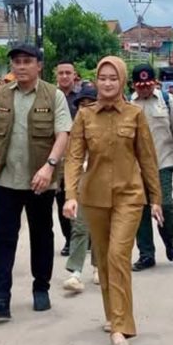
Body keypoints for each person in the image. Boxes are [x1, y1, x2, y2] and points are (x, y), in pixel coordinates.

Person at [63, 56, 162, 345]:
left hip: (129, 196)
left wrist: (156, 199)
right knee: (104, 259)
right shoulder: (85, 115)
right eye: (103, 78)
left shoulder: (134, 115)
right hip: (93, 198)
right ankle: (112, 314)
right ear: (96, 80)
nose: (107, 83)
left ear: (122, 82)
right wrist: (70, 195)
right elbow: (73, 157)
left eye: (113, 78)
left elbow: (147, 159)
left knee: (119, 255)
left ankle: (121, 326)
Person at [0, 44, 72, 320]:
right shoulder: (1, 95)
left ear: (39, 65)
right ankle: (0, 298)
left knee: (42, 235)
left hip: (40, 181)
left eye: (27, 61)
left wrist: (49, 166)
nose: (20, 66)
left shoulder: (53, 96)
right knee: (3, 238)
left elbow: (63, 134)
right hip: (6, 179)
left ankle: (41, 288)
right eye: (16, 61)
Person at [130, 63, 173, 271]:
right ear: (133, 85)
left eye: (148, 85)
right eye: (140, 86)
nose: (144, 89)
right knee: (140, 210)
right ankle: (146, 254)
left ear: (154, 83)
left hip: (162, 163)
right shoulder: (128, 104)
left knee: (165, 206)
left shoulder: (167, 101)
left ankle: (168, 238)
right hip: (136, 167)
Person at [62, 85, 99, 293]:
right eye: (81, 105)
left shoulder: (107, 126)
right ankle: (75, 273)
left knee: (101, 229)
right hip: (81, 186)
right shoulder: (74, 129)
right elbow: (70, 160)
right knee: (80, 226)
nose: (85, 108)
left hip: (104, 185)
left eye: (90, 104)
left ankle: (98, 267)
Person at [54, 60, 78, 257]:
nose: (64, 76)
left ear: (74, 75)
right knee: (61, 198)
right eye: (61, 73)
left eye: (67, 73)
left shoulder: (84, 97)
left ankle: (82, 237)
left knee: (82, 198)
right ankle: (69, 239)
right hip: (57, 156)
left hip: (79, 156)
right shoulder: (50, 97)